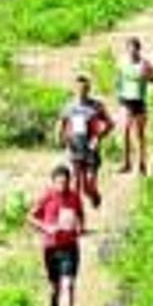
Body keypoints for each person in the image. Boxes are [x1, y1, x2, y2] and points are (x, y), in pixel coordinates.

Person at [27, 164, 84, 306]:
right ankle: (54, 295)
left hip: (70, 247)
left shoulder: (75, 197)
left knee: (68, 285)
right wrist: (46, 227)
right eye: (59, 182)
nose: (63, 186)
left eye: (66, 182)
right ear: (53, 182)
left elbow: (81, 216)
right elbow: (30, 217)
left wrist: (79, 227)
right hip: (50, 248)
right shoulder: (47, 196)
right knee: (56, 285)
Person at [58, 75, 114, 208]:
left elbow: (110, 124)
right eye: (79, 88)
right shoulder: (69, 106)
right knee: (76, 183)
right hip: (75, 147)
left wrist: (98, 137)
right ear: (74, 89)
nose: (82, 91)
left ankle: (94, 195)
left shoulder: (96, 106)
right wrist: (61, 139)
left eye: (84, 88)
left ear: (89, 89)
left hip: (90, 149)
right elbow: (61, 124)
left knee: (88, 184)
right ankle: (76, 213)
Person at [116, 37, 153, 175]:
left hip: (139, 100)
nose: (132, 51)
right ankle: (126, 163)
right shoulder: (122, 62)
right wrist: (118, 93)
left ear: (138, 49)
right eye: (129, 48)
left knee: (139, 134)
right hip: (125, 100)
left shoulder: (145, 63)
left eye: (134, 48)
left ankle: (142, 164)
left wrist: (147, 76)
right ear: (126, 49)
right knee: (124, 132)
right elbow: (118, 78)